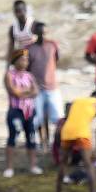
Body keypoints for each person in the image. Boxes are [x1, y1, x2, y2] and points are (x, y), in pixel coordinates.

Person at [54, 95, 96, 192]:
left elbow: (68, 117)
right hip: (82, 133)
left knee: (63, 163)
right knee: (89, 165)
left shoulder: (77, 101)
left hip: (67, 131)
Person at [3, 49, 40, 177]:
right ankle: (9, 167)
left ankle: (33, 166)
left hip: (29, 111)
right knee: (13, 137)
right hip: (16, 110)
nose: (26, 62)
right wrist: (27, 91)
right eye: (23, 59)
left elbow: (36, 92)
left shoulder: (29, 76)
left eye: (27, 60)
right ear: (16, 60)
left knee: (31, 137)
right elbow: (14, 92)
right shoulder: (9, 75)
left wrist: (22, 92)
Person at [26, 22, 62, 150]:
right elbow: (27, 68)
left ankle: (56, 143)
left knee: (57, 118)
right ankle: (42, 142)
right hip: (36, 89)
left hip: (52, 87)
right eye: (40, 33)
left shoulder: (53, 45)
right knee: (38, 118)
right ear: (35, 33)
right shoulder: (29, 48)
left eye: (44, 33)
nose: (42, 35)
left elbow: (56, 60)